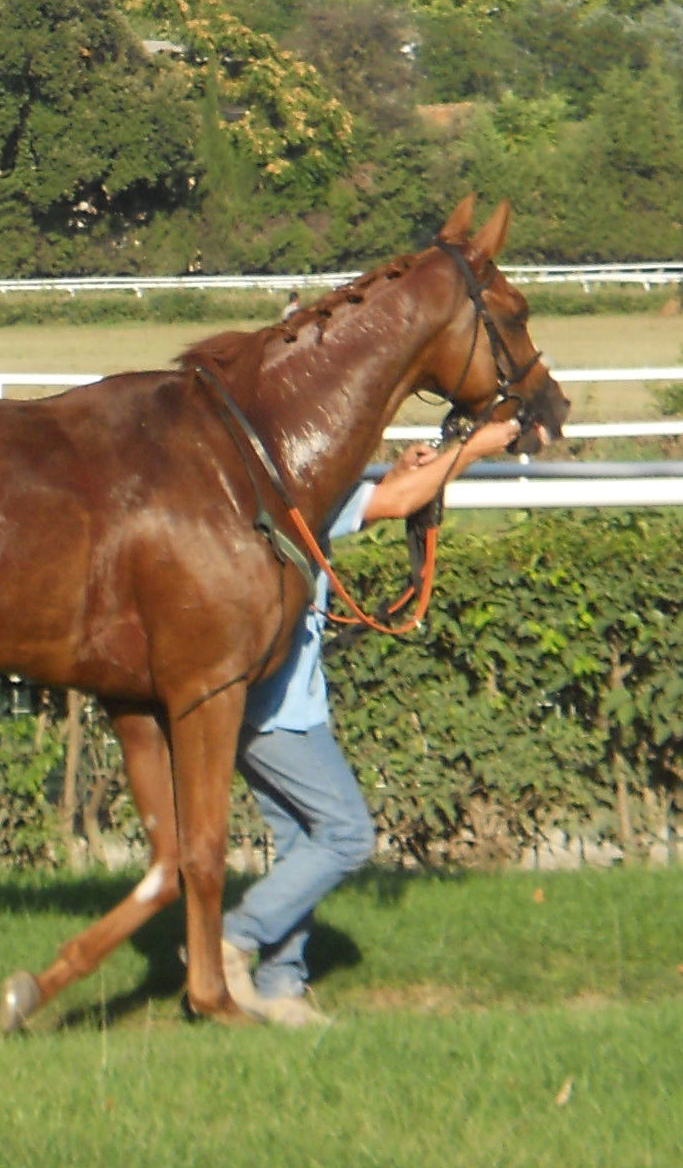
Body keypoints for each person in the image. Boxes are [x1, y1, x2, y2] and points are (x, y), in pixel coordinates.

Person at [221, 414, 532, 1027]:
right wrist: (476, 447)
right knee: (346, 836)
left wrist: (399, 474)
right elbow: (398, 504)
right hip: (281, 715)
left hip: (273, 708)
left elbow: (382, 499)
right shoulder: (291, 497)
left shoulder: (281, 490)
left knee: (300, 845)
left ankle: (280, 987)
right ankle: (232, 939)